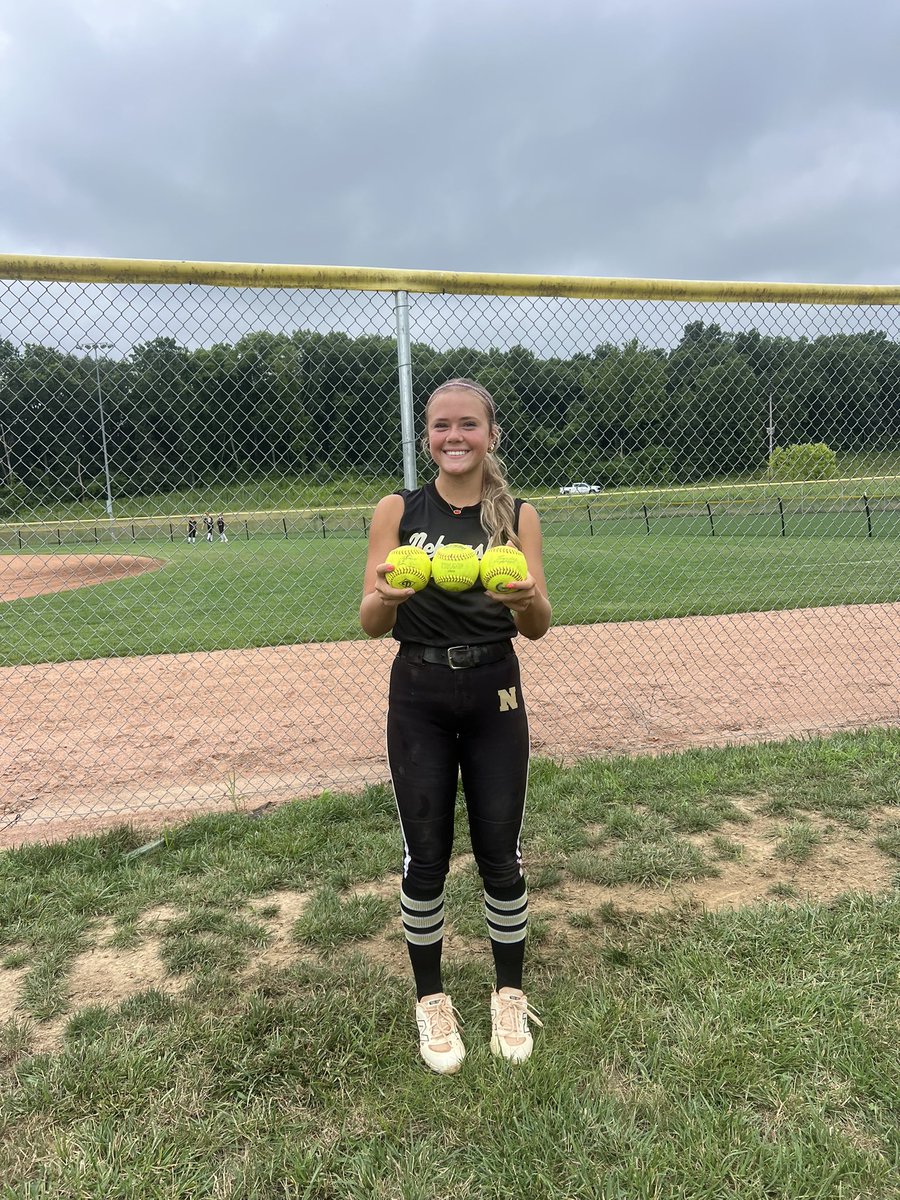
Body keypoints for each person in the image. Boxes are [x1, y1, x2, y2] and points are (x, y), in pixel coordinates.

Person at [360, 377, 551, 1074]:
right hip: (419, 692)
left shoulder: (517, 516)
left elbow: (537, 628)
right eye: (442, 426)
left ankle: (508, 991)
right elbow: (370, 621)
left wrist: (524, 599)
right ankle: (431, 999)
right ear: (427, 437)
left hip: (496, 688)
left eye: (468, 425)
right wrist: (386, 596)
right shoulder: (398, 510)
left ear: (491, 435)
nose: (455, 437)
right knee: (427, 855)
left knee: (501, 852)